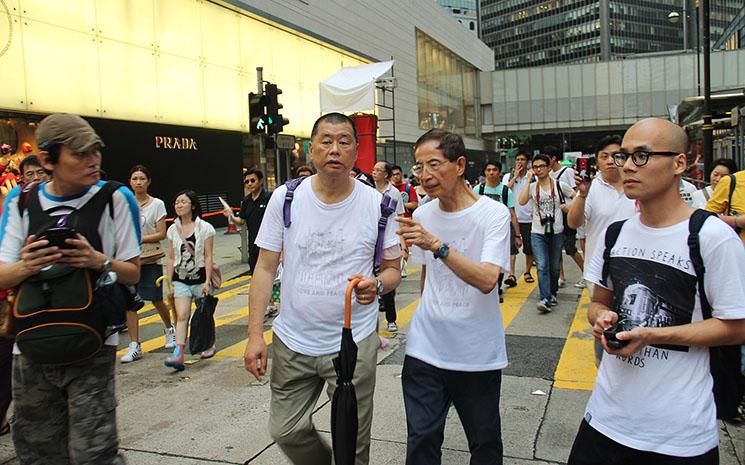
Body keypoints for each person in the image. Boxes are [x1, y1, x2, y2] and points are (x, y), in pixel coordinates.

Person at [568, 117, 745, 465]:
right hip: (605, 419)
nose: (628, 166)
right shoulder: (615, 234)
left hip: (678, 434)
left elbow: (738, 326)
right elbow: (598, 302)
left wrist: (653, 334)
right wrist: (602, 318)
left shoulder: (711, 236)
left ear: (680, 163)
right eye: (624, 156)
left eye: (642, 156)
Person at [243, 112, 401, 465]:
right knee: (285, 430)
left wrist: (376, 285)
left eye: (344, 141)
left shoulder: (379, 204)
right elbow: (265, 269)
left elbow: (393, 271)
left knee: (353, 446)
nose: (334, 149)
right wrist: (255, 335)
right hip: (292, 340)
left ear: (356, 151)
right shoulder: (286, 199)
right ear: (311, 149)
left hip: (354, 343)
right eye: (326, 141)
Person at [0, 113, 140, 464]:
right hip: (30, 347)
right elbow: (3, 275)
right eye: (79, 154)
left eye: (95, 151)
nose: (92, 161)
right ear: (48, 160)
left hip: (92, 343)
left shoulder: (115, 198)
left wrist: (97, 260)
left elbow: (132, 273)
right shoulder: (20, 201)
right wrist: (26, 266)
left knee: (94, 452)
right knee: (37, 450)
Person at [398, 128, 509, 465]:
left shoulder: (493, 214)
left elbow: (489, 279)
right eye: (419, 167)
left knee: (484, 443)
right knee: (422, 439)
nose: (425, 175)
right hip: (425, 349)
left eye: (434, 164)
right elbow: (426, 275)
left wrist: (438, 245)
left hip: (475, 352)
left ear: (460, 164)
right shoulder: (422, 215)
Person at [120, 164, 175, 363]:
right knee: (130, 302)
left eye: (142, 179)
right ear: (130, 182)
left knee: (155, 298)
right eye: (135, 179)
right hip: (129, 258)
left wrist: (139, 239)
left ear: (149, 182)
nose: (138, 182)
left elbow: (161, 233)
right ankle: (135, 345)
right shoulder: (125, 203)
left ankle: (170, 329)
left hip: (151, 258)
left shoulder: (157, 204)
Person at [164, 190, 216, 370]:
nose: (179, 205)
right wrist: (169, 282)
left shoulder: (205, 228)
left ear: (192, 205)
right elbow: (171, 257)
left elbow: (208, 256)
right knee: (183, 315)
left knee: (204, 314)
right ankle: (178, 353)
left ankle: (209, 343)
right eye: (177, 202)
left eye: (183, 202)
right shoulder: (172, 230)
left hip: (201, 278)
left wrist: (208, 281)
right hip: (181, 279)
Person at [519, 153, 573, 312]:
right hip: (537, 231)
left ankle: (552, 293)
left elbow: (576, 197)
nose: (538, 169)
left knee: (554, 266)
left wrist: (569, 207)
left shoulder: (559, 185)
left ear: (549, 167)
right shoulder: (532, 187)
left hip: (556, 231)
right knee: (542, 266)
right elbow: (521, 201)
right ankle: (545, 298)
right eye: (535, 167)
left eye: (541, 166)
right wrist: (528, 180)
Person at [474, 160, 521, 301]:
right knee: (482, 260)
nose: (491, 172)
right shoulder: (478, 190)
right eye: (488, 170)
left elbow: (512, 213)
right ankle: (485, 286)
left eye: (494, 170)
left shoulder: (506, 191)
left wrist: (517, 235)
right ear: (484, 172)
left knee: (498, 260)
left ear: (499, 172)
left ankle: (497, 287)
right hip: (482, 231)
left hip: (501, 232)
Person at [373, 161, 406, 332]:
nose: (374, 172)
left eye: (378, 170)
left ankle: (391, 319)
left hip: (389, 241)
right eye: (373, 169)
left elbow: (400, 219)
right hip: (371, 240)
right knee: (370, 281)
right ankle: (370, 324)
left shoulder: (394, 193)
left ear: (386, 174)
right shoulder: (368, 191)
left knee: (386, 282)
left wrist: (403, 246)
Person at [545, 146, 584, 288]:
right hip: (554, 215)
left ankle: (586, 273)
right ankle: (560, 276)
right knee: (556, 246)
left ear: (553, 158)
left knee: (569, 247)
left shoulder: (567, 172)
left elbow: (577, 193)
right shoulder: (548, 175)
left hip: (568, 214)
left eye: (546, 159)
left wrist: (571, 207)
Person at [223, 168, 271, 275]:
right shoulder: (246, 200)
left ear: (261, 181)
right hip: (253, 244)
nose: (249, 184)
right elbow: (241, 221)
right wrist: (230, 216)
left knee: (269, 275)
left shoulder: (270, 198)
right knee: (254, 273)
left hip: (269, 244)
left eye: (253, 181)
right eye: (247, 181)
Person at [504, 149, 535, 284]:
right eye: (517, 160)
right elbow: (504, 192)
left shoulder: (532, 177)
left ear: (527, 162)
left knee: (529, 248)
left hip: (528, 218)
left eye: (522, 160)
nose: (519, 162)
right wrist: (515, 176)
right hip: (512, 218)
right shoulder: (508, 176)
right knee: (512, 248)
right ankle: (511, 274)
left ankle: (527, 272)